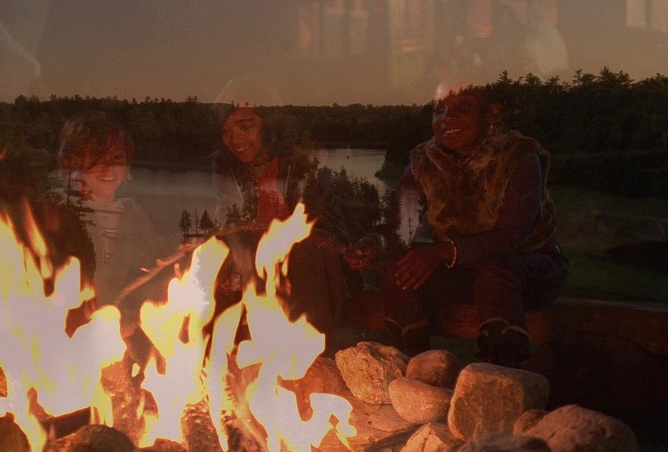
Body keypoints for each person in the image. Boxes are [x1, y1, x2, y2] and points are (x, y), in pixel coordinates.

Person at [346, 77, 568, 367]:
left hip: (529, 268)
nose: (448, 117)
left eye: (463, 107)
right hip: (463, 269)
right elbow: (402, 229)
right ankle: (412, 369)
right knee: (398, 270)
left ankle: (503, 374)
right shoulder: (424, 162)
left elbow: (508, 239)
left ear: (492, 114)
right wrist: (374, 244)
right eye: (439, 109)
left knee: (495, 272)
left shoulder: (517, 157)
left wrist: (441, 252)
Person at [211, 104, 353, 353]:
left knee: (306, 256)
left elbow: (331, 235)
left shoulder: (305, 168)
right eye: (227, 131)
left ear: (271, 129)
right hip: (253, 269)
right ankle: (221, 364)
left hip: (302, 269)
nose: (234, 140)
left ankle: (314, 361)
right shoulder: (228, 173)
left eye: (246, 127)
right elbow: (226, 230)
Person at [43, 110, 176, 336]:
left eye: (117, 158)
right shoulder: (55, 213)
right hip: (65, 336)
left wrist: (129, 315)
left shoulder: (133, 217)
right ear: (72, 162)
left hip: (117, 337)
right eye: (96, 157)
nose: (108, 167)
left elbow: (148, 273)